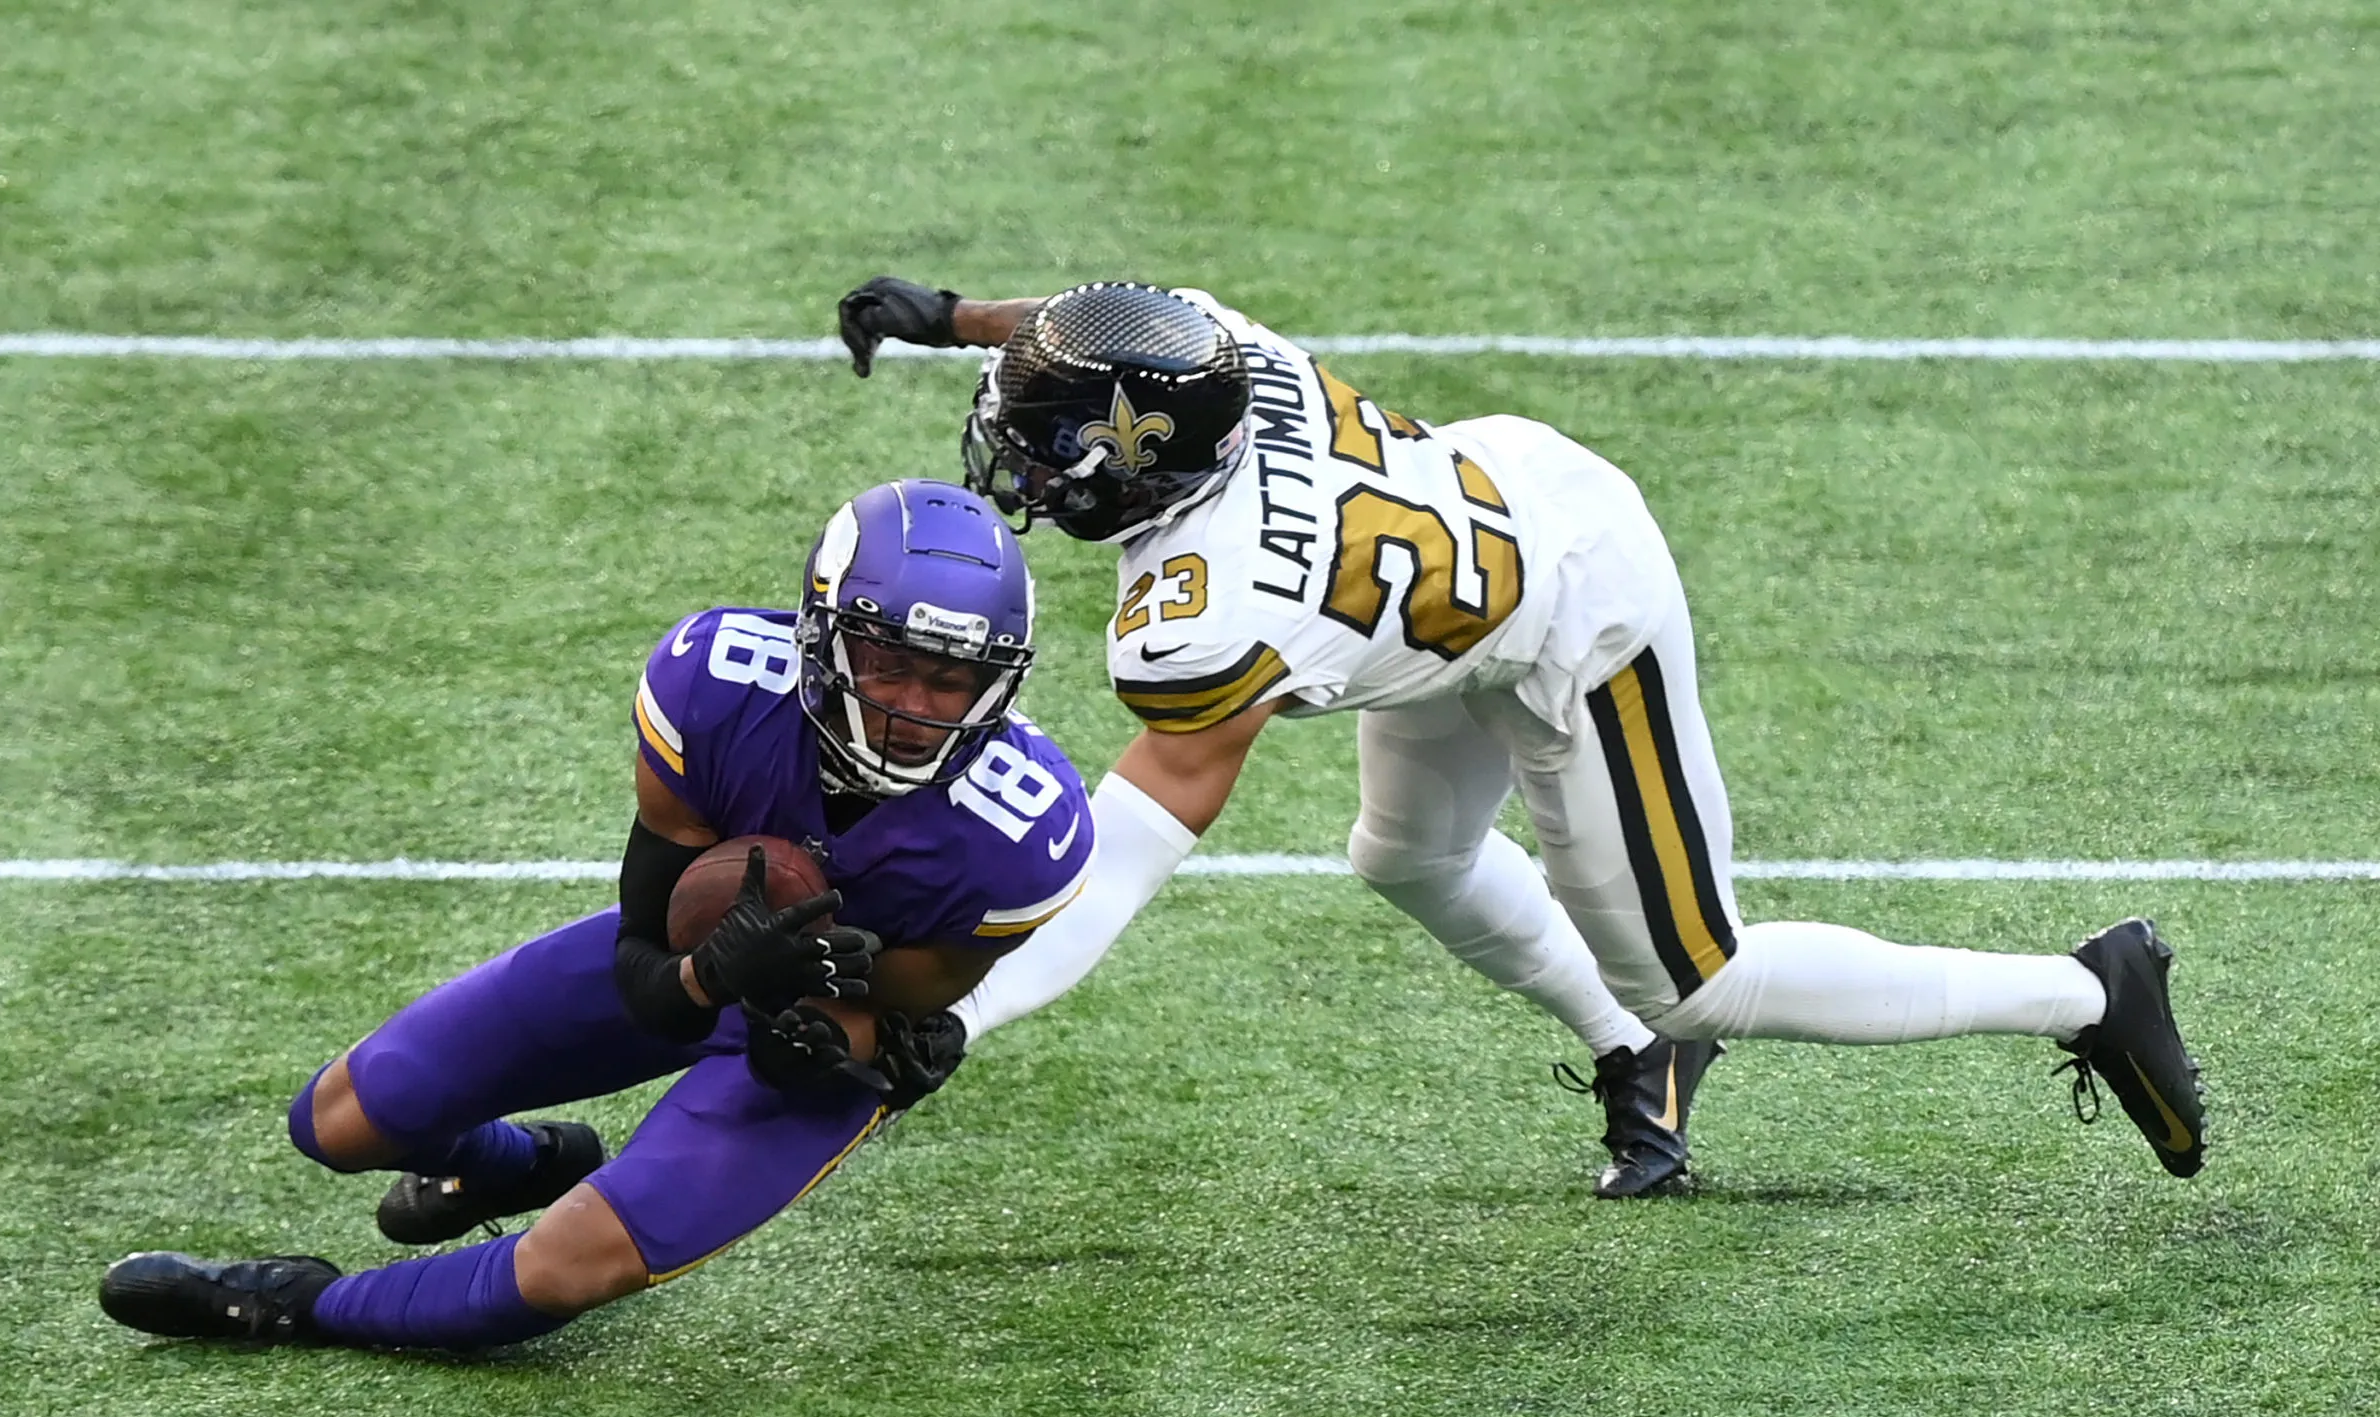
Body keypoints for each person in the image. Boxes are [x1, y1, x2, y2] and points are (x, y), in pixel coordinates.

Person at [833, 279, 2207, 1189]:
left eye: (1050, 434)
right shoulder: (1207, 352)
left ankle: (2092, 991)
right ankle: (1629, 1047)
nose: (1016, 442)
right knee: (1408, 854)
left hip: (1570, 616)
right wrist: (959, 315)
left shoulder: (1204, 610)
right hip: (1483, 524)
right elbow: (1095, 319)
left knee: (1701, 971)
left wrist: (960, 1000)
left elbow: (1122, 848)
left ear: (1145, 464)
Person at [99, 479, 1095, 1347]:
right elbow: (644, 944)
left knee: (563, 1268)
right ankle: (506, 1164)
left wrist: (847, 1050)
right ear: (821, 632)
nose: (915, 705)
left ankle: (298, 1306)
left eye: (952, 677)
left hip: (829, 1024)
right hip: (694, 952)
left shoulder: (1023, 832)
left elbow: (913, 1009)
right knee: (337, 1122)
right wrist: (711, 976)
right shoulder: (713, 684)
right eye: (888, 663)